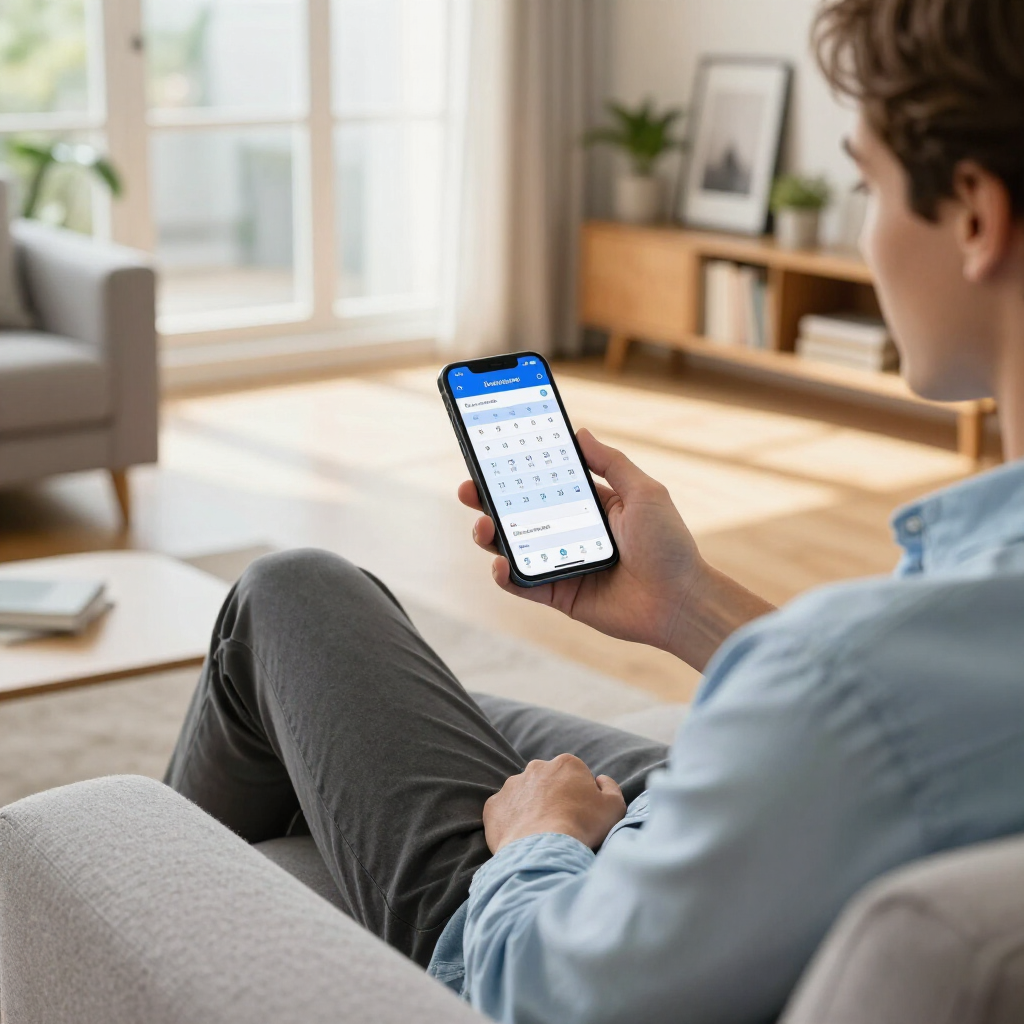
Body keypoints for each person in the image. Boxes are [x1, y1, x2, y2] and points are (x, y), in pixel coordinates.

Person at [165, 0, 1024, 1020]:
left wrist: (539, 841)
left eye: (864, 182)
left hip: (537, 947)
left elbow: (544, 994)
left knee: (294, 598)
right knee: (411, 707)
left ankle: (128, 898)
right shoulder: (911, 655)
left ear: (974, 214)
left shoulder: (842, 691)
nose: (868, 228)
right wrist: (687, 601)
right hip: (796, 839)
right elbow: (909, 705)